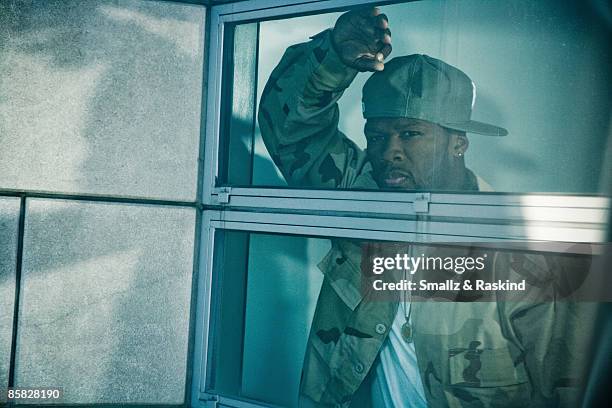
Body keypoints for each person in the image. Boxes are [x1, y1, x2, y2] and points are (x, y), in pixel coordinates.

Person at [258, 7, 591, 407]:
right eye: (377, 137)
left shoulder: (521, 249)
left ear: (459, 143)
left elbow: (567, 386)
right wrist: (330, 55)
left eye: (411, 134)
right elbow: (292, 131)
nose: (389, 153)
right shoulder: (360, 194)